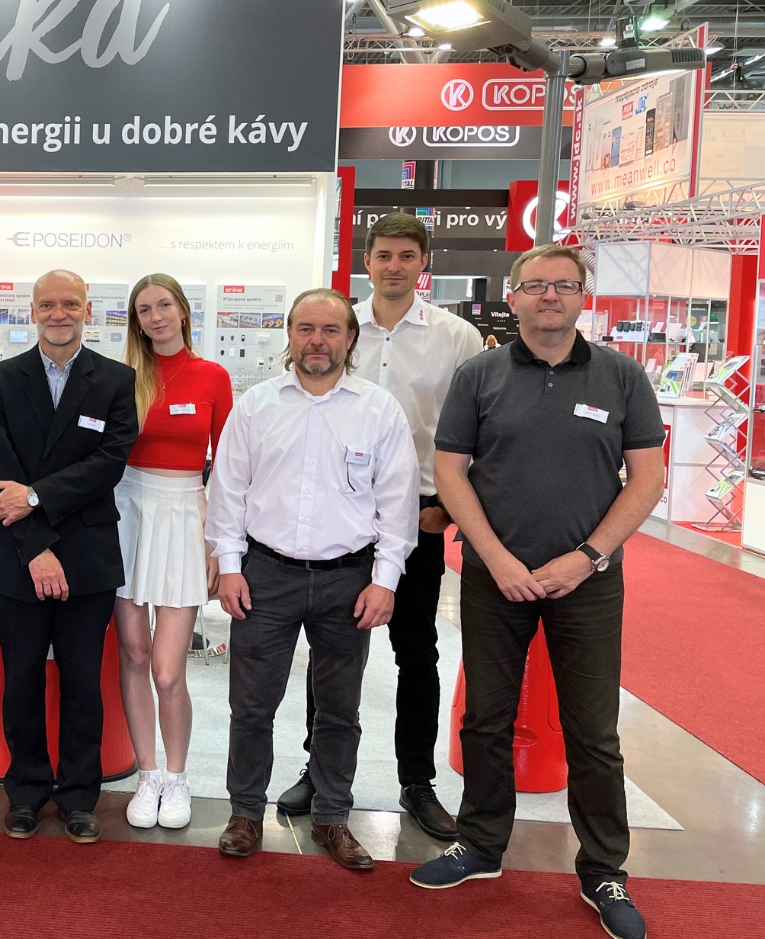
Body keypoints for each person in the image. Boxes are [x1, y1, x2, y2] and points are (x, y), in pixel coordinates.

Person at [412, 245, 665, 939]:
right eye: (535, 285)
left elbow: (647, 478)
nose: (549, 295)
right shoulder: (479, 373)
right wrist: (495, 558)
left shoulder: (621, 375)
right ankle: (480, 843)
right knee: (485, 718)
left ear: (583, 296)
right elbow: (451, 470)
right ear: (513, 297)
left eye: (564, 284)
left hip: (589, 582)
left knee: (594, 732)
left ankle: (604, 869)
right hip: (495, 577)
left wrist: (586, 557)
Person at [277, 214, 482, 840]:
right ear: (366, 261)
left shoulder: (457, 337)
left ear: (424, 264)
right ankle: (319, 770)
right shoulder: (338, 326)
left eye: (406, 255)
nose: (394, 266)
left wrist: (449, 509)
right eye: (384, 255)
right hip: (340, 517)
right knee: (330, 652)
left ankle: (417, 782)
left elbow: (476, 429)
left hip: (419, 512)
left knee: (417, 653)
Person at [206, 288, 417, 871]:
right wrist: (230, 568)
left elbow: (397, 504)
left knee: (339, 711)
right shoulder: (257, 405)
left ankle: (331, 817)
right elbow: (228, 491)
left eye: (329, 330)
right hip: (265, 577)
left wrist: (385, 581)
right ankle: (245, 813)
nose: (316, 341)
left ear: (350, 338)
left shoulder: (379, 409)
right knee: (252, 707)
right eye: (305, 329)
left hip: (348, 582)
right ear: (290, 335)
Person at [0, 269, 138, 844]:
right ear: (32, 311)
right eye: (47, 304)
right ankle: (25, 791)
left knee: (82, 682)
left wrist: (37, 497)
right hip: (18, 553)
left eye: (70, 303)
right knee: (21, 678)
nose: (59, 313)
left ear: (88, 310)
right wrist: (38, 549)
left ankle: (78, 795)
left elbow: (109, 463)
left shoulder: (116, 379)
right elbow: (3, 476)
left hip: (88, 555)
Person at [114, 274, 233, 831]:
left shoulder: (213, 376)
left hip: (186, 514)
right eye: (144, 309)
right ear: (135, 321)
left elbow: (229, 468)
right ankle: (148, 774)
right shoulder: (122, 378)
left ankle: (178, 776)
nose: (156, 316)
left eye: (164, 305)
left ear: (183, 311)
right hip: (127, 512)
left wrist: (219, 545)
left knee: (167, 671)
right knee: (134, 655)